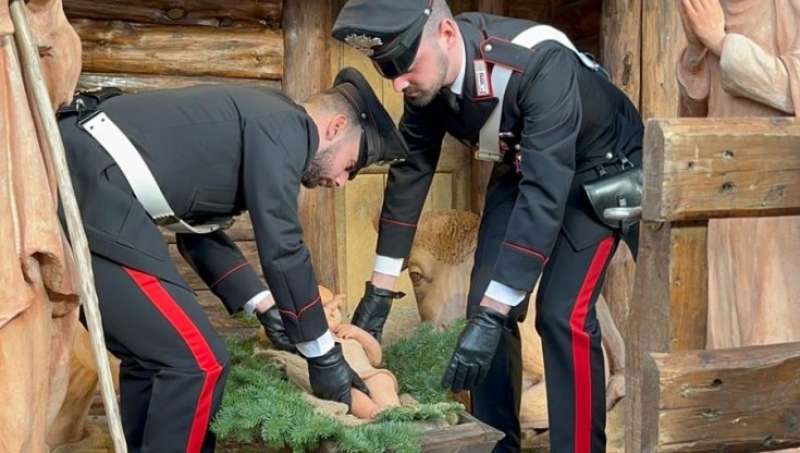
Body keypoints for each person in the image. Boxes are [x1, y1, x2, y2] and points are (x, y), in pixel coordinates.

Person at [332, 1, 643, 452]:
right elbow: (410, 173)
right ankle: (497, 445)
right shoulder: (423, 82)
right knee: (483, 308)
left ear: (444, 33)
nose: (398, 81)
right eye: (388, 69)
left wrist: (497, 312)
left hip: (596, 169)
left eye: (405, 64)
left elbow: (545, 195)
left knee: (561, 314)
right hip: (525, 164)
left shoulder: (537, 63)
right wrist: (379, 292)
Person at [56, 67, 408, 453]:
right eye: (352, 166)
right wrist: (323, 356)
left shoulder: (260, 121)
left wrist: (264, 305)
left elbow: (198, 236)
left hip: (84, 182)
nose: (341, 182)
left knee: (154, 363)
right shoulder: (286, 124)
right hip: (89, 185)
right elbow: (283, 245)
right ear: (336, 127)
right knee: (198, 364)